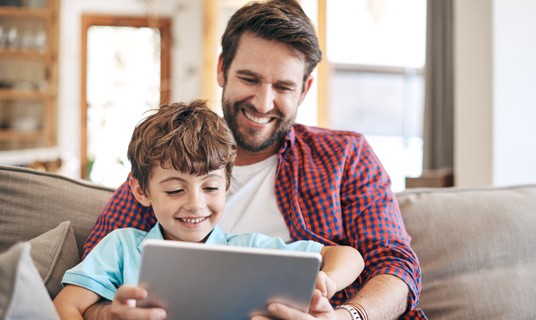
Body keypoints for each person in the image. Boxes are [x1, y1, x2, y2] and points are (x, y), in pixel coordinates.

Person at [82, 0, 425, 319]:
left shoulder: (345, 156)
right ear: (222, 70)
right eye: (249, 79)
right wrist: (110, 315)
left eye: (283, 87)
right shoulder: (171, 158)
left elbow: (395, 265)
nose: (263, 103)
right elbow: (89, 282)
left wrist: (346, 317)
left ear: (304, 90)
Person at [53, 100, 365, 319]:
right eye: (175, 190)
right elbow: (64, 307)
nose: (195, 204)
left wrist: (330, 281)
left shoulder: (251, 250)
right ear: (140, 190)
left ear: (228, 184)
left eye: (211, 188)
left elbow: (349, 256)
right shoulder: (122, 247)